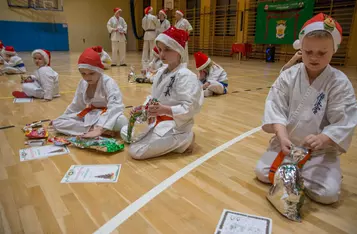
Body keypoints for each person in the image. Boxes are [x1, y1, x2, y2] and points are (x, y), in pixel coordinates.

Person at [255, 13, 357, 205]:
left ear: (333, 50)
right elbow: (275, 106)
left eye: (322, 53)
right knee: (261, 171)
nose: (314, 58)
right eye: (308, 52)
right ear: (301, 49)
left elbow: (344, 120)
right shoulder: (289, 76)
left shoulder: (339, 83)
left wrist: (323, 138)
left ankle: (322, 173)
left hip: (320, 150)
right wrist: (282, 135)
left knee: (328, 194)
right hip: (287, 145)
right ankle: (301, 172)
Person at [127, 27, 203, 160]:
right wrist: (142, 108)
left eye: (167, 50)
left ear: (179, 51)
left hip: (176, 126)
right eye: (161, 50)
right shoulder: (162, 72)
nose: (162, 55)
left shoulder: (186, 76)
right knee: (126, 133)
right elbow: (153, 97)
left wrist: (164, 110)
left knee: (136, 151)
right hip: (157, 121)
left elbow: (189, 108)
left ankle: (185, 139)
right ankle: (168, 141)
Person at [52, 48, 128, 137]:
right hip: (91, 114)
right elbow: (76, 105)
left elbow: (115, 106)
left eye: (91, 73)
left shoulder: (108, 82)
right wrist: (64, 117)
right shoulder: (83, 83)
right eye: (83, 74)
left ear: (99, 70)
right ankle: (93, 130)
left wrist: (100, 128)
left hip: (106, 115)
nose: (87, 77)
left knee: (121, 122)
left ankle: (98, 130)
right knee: (57, 122)